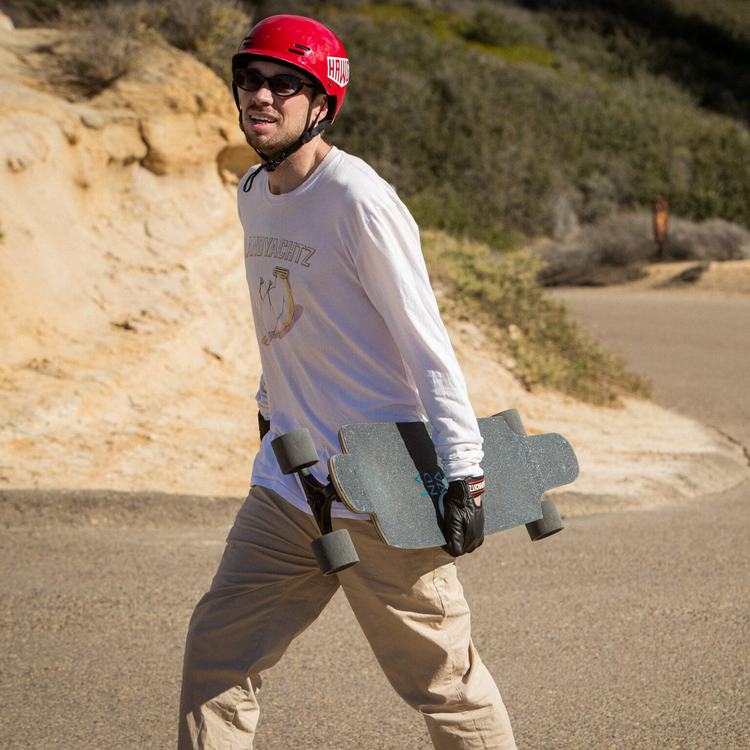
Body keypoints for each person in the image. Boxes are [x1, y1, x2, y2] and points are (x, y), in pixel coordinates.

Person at [178, 15, 517, 750]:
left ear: (322, 100)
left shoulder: (358, 200)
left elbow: (426, 341)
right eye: (249, 79)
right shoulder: (253, 191)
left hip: (381, 484)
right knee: (217, 654)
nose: (260, 96)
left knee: (445, 687)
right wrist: (269, 408)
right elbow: (283, 318)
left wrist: (465, 470)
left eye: (283, 84)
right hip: (291, 483)